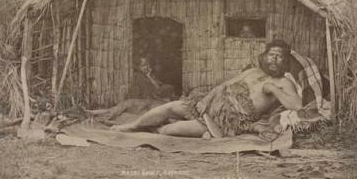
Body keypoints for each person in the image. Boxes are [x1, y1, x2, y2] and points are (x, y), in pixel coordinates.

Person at [111, 39, 302, 137]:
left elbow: (297, 105)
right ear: (265, 56)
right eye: (271, 55)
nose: (274, 60)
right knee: (168, 107)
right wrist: (205, 100)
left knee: (169, 131)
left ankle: (160, 127)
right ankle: (132, 126)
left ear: (285, 61)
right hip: (211, 105)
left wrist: (273, 89)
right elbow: (223, 85)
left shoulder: (283, 82)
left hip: (226, 121)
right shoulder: (253, 71)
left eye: (279, 57)